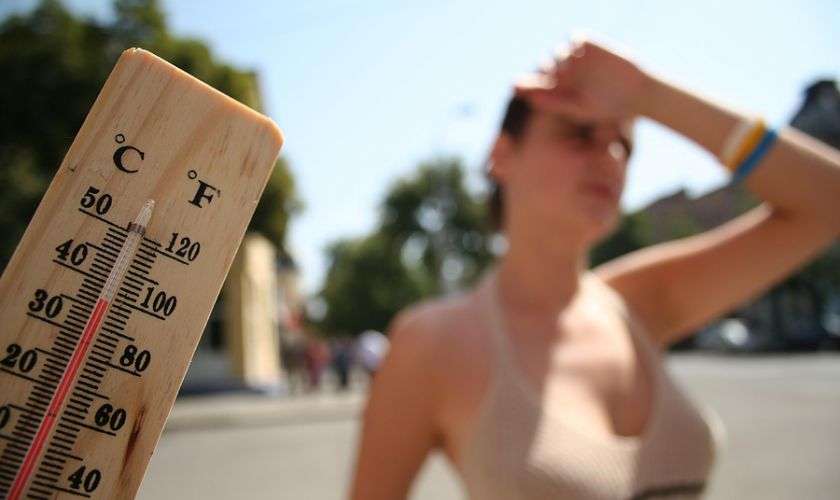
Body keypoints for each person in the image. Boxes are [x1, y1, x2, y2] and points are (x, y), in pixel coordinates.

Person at [349, 35, 840, 499]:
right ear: (502, 155)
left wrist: (652, 96)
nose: (610, 157)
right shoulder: (432, 343)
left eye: (624, 144)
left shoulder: (639, 304)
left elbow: (828, 203)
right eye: (580, 133)